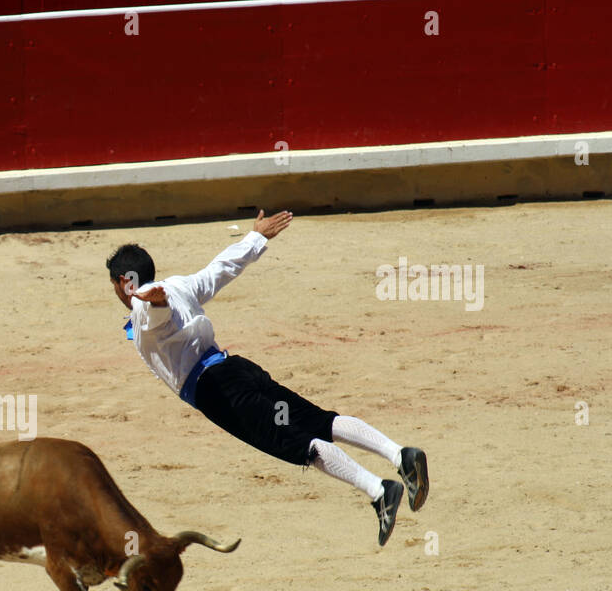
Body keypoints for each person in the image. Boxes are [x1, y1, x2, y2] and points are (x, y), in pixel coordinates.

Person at [106, 211, 428, 546]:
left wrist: (155, 304)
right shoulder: (178, 285)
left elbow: (155, 317)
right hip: (237, 369)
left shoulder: (145, 305)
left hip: (218, 391)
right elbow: (219, 270)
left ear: (122, 282)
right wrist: (256, 236)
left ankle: (378, 490)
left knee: (297, 443)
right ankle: (399, 454)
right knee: (319, 420)